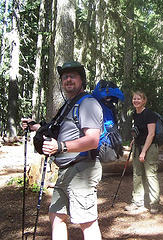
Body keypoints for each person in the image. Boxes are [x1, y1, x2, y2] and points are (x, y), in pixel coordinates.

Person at [22, 61, 103, 240]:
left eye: (72, 76)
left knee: (87, 222)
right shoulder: (69, 105)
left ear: (81, 80)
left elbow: (92, 140)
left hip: (82, 169)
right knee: (56, 216)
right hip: (66, 170)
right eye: (65, 77)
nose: (68, 80)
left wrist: (61, 147)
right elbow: (56, 130)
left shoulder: (88, 103)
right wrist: (35, 127)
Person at [124, 91, 160, 214]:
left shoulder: (149, 114)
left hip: (149, 148)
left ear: (144, 100)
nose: (136, 101)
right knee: (137, 174)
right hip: (138, 146)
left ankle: (154, 203)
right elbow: (138, 131)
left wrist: (143, 151)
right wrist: (134, 141)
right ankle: (137, 201)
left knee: (150, 175)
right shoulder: (135, 114)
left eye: (139, 99)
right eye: (134, 99)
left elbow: (151, 134)